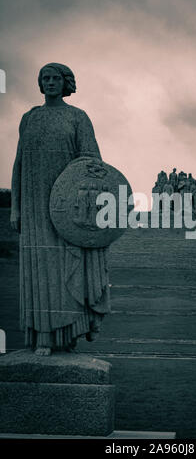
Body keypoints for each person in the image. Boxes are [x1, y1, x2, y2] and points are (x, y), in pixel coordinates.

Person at [10, 63, 110, 356]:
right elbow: (18, 165)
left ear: (66, 83)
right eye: (45, 78)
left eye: (55, 78)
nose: (50, 82)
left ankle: (70, 335)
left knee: (67, 270)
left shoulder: (77, 117)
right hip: (34, 209)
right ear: (40, 83)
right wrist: (15, 208)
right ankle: (43, 335)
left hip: (67, 209)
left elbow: (93, 162)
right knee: (39, 274)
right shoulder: (29, 118)